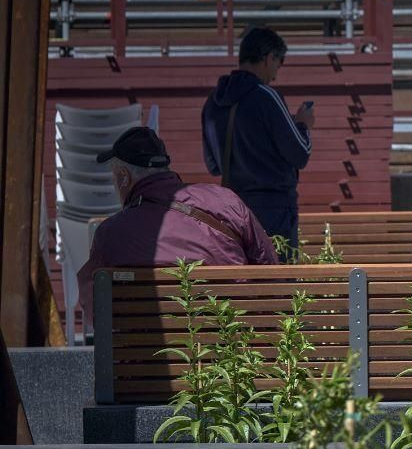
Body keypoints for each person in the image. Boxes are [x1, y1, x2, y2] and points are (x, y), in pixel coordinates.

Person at [75, 127, 279, 334]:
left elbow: (95, 310)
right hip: (231, 354)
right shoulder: (226, 201)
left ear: (123, 177)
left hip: (148, 361)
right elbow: (269, 269)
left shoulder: (111, 233)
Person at [201, 26, 313, 251]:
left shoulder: (213, 101)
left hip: (233, 207)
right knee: (278, 281)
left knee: (243, 280)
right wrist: (303, 124)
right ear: (269, 57)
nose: (276, 73)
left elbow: (213, 165)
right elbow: (299, 153)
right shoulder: (267, 97)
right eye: (279, 63)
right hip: (274, 209)